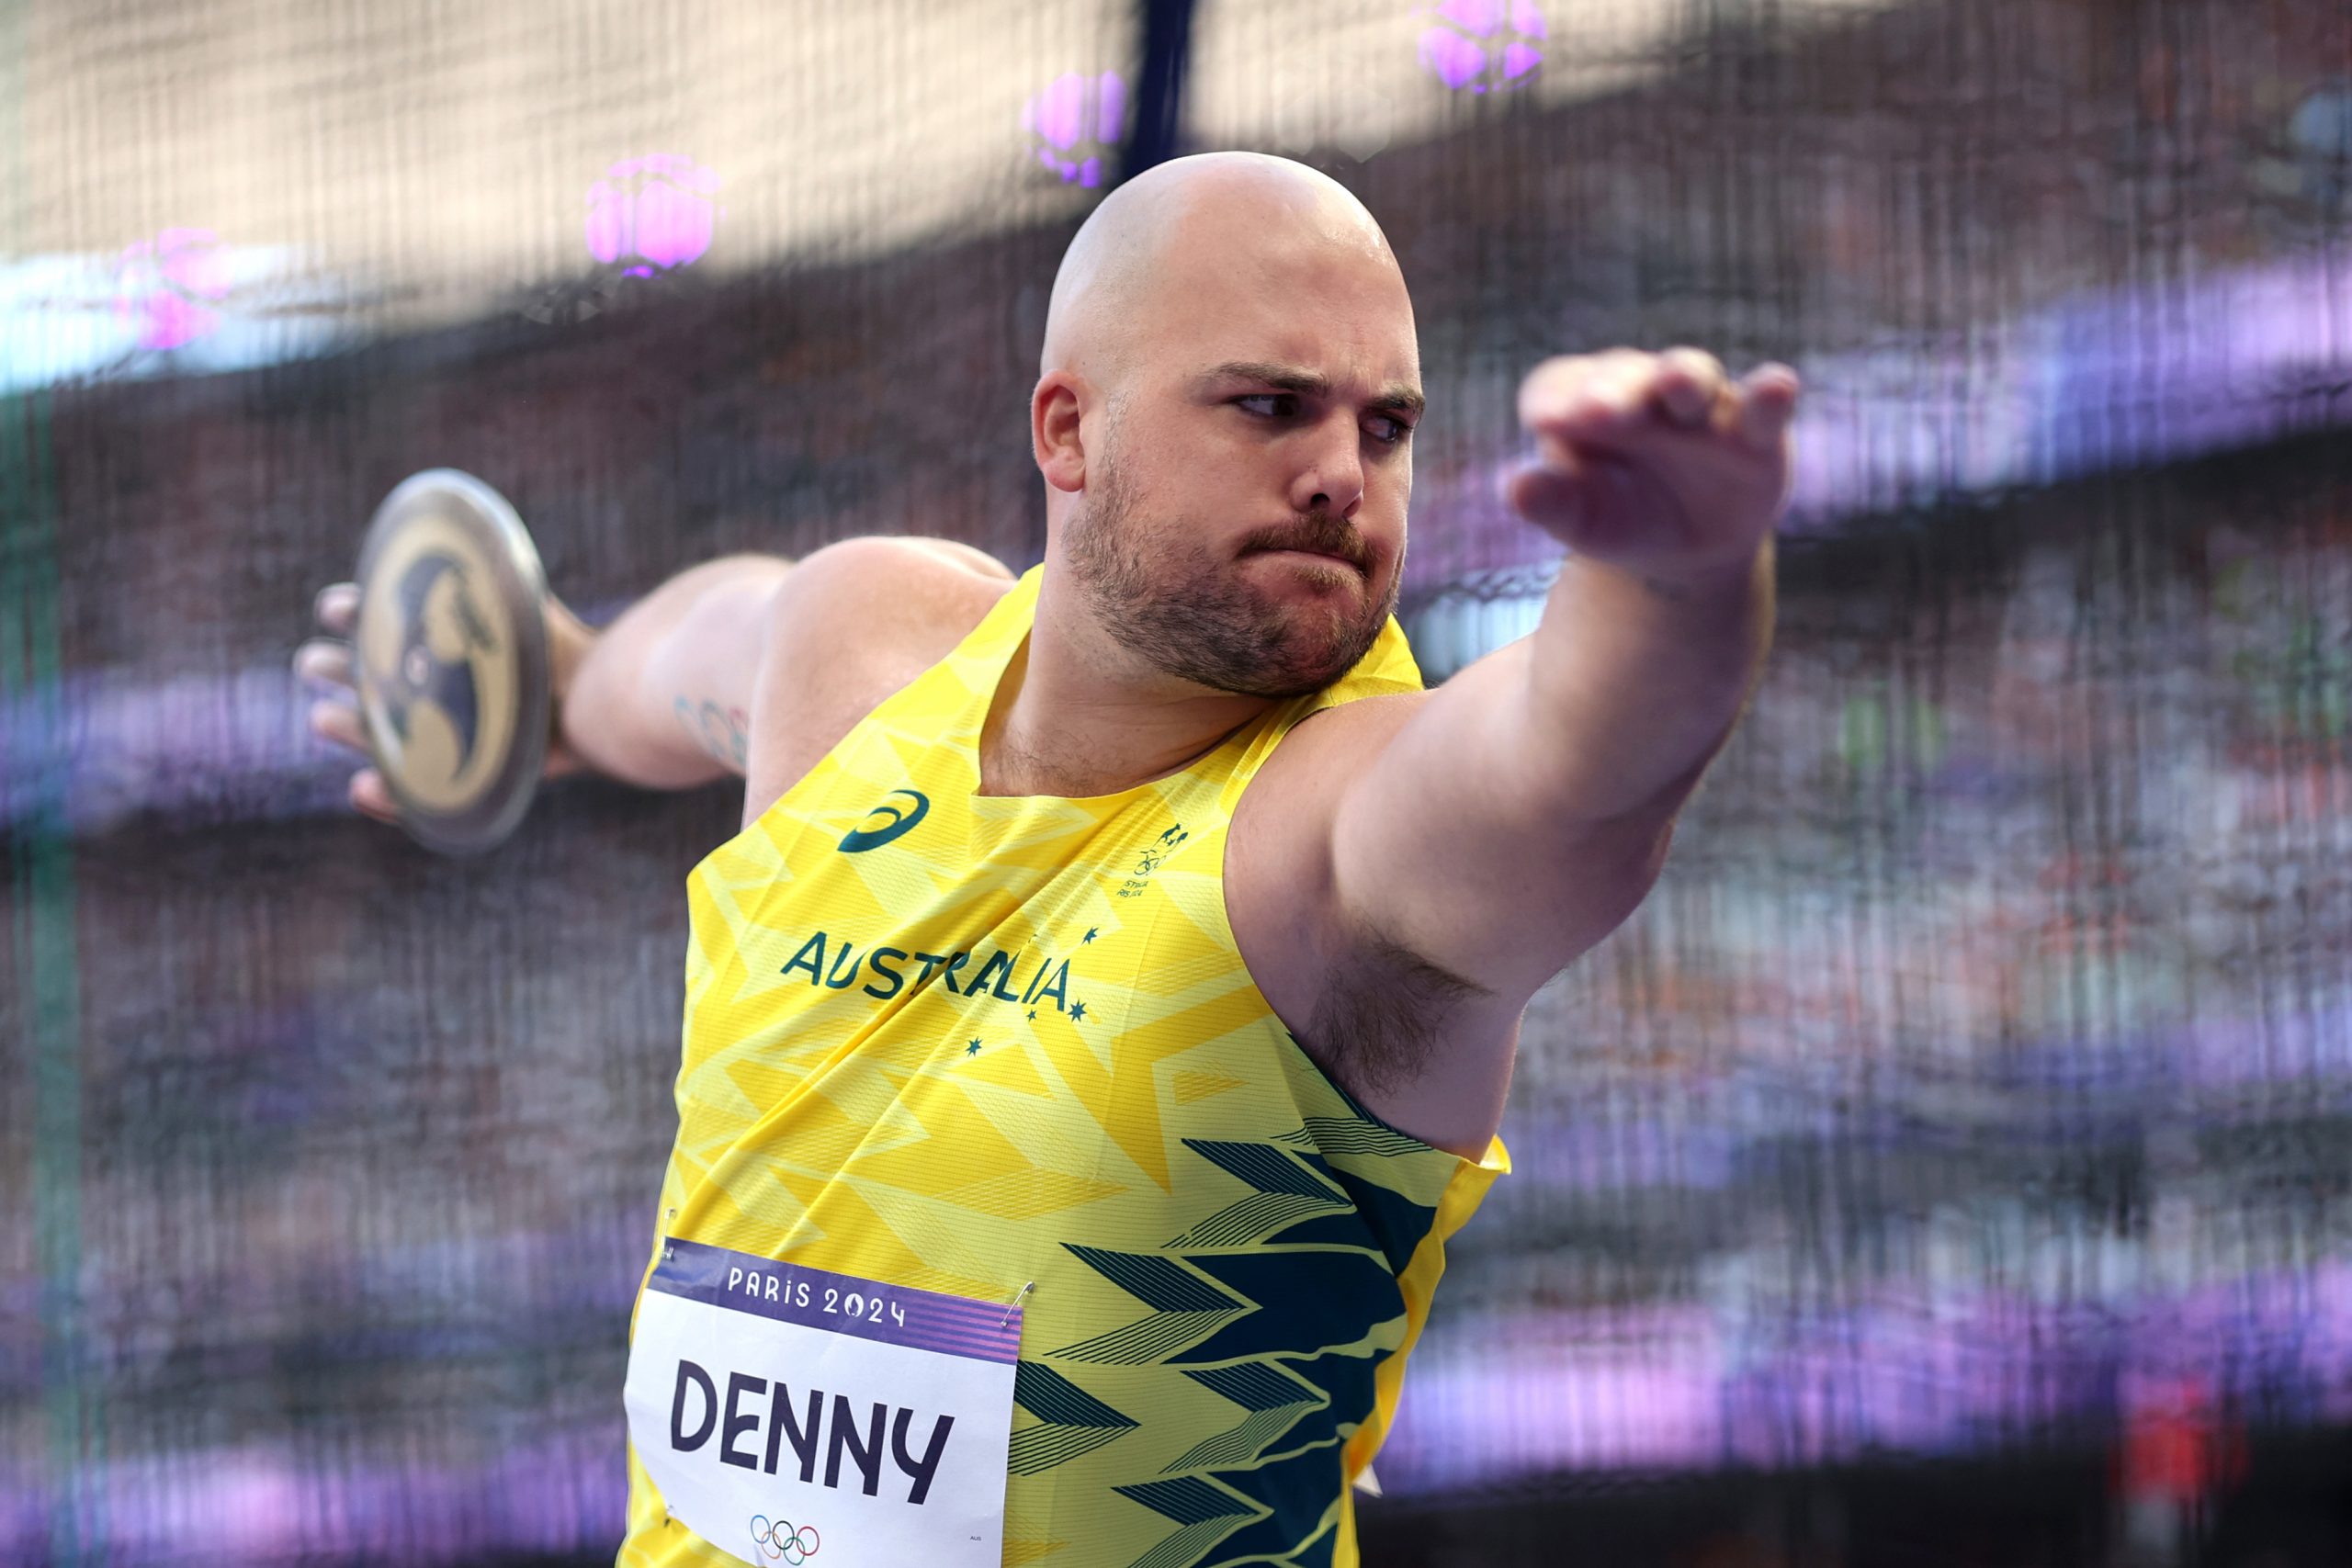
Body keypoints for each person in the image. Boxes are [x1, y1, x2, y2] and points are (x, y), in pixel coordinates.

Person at [298, 152, 1796, 1568]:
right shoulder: (858, 660)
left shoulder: (1338, 845)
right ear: (1068, 430)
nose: (1345, 472)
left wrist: (1681, 570)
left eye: (1386, 426)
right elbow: (666, 658)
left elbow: (1584, 762)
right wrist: (534, 686)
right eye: (1272, 407)